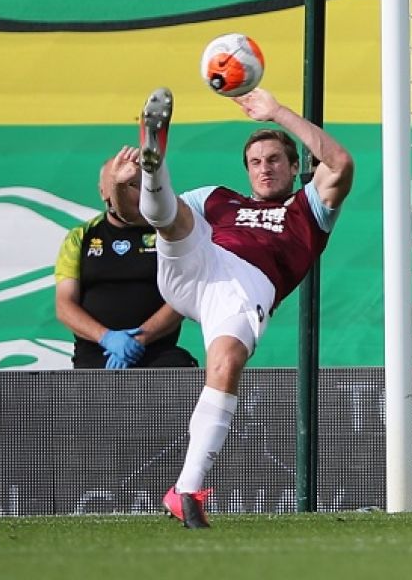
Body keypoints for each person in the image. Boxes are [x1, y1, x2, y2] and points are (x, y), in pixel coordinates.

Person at [118, 85, 354, 528]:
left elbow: (340, 164)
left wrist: (277, 113)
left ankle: (185, 491)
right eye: (255, 163)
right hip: (197, 262)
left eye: (274, 160)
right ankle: (152, 166)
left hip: (246, 288)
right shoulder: (219, 199)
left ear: (294, 165)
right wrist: (120, 181)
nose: (264, 169)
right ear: (245, 171)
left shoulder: (307, 209)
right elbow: (136, 215)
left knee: (225, 365)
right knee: (172, 218)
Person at [54, 148, 197, 370]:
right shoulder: (80, 237)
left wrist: (139, 339)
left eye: (136, 184)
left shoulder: (165, 232)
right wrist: (106, 337)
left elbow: (181, 296)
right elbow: (64, 304)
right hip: (97, 352)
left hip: (158, 351)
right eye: (121, 182)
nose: (133, 191)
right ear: (103, 190)